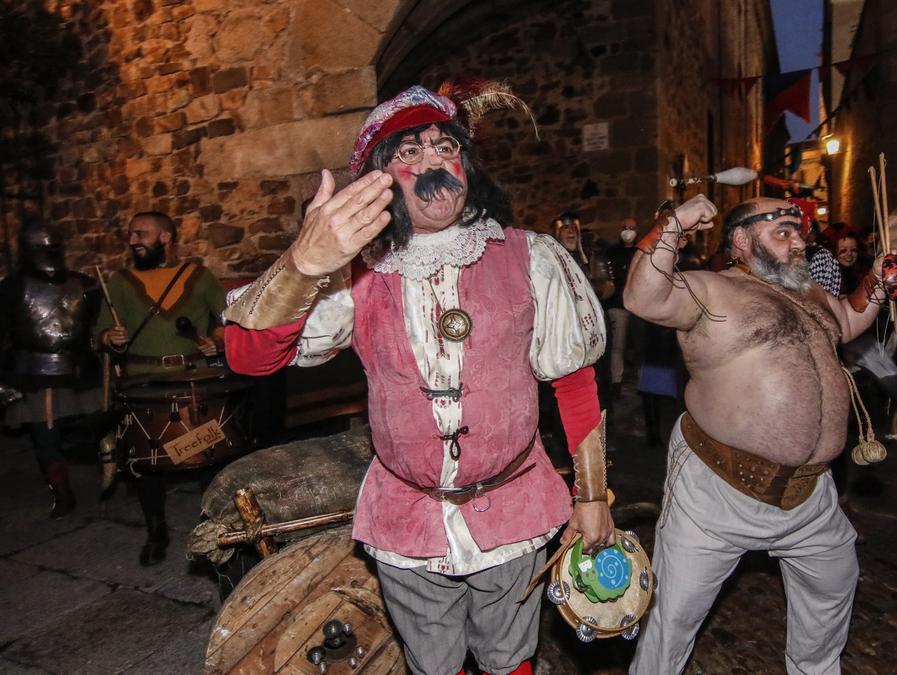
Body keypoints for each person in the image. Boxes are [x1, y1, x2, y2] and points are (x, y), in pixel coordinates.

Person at [221, 84, 613, 675]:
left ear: (465, 165)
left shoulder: (530, 255)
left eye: (443, 146)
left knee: (511, 658)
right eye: (408, 153)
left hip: (514, 505)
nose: (431, 161)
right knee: (433, 662)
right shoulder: (358, 276)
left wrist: (592, 499)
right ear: (382, 182)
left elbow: (575, 381)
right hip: (406, 517)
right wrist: (302, 264)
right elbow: (249, 358)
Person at [624, 196, 897, 674]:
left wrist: (878, 281)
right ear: (742, 241)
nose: (798, 243)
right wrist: (673, 223)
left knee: (833, 585)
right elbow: (643, 298)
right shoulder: (711, 289)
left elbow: (849, 321)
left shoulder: (809, 291)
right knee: (675, 615)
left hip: (811, 493)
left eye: (799, 233)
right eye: (783, 232)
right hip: (717, 491)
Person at [95, 211, 226, 565]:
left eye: (141, 234)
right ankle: (157, 531)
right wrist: (112, 337)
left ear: (165, 237)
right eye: (131, 234)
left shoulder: (198, 276)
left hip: (193, 380)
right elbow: (102, 333)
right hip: (141, 383)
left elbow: (230, 318)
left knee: (207, 455)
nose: (133, 240)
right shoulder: (120, 282)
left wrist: (216, 339)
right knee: (145, 461)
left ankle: (213, 529)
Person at [0, 219, 103, 518]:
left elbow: (97, 327)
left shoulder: (84, 284)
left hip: (81, 367)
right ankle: (61, 491)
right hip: (33, 371)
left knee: (100, 427)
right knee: (46, 437)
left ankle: (107, 477)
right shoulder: (13, 287)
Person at [605, 218, 638, 401]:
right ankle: (616, 382)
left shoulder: (639, 252)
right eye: (625, 228)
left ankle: (637, 381)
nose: (628, 231)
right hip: (617, 304)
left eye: (632, 228)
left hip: (638, 305)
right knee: (617, 346)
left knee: (636, 346)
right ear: (620, 229)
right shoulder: (612, 252)